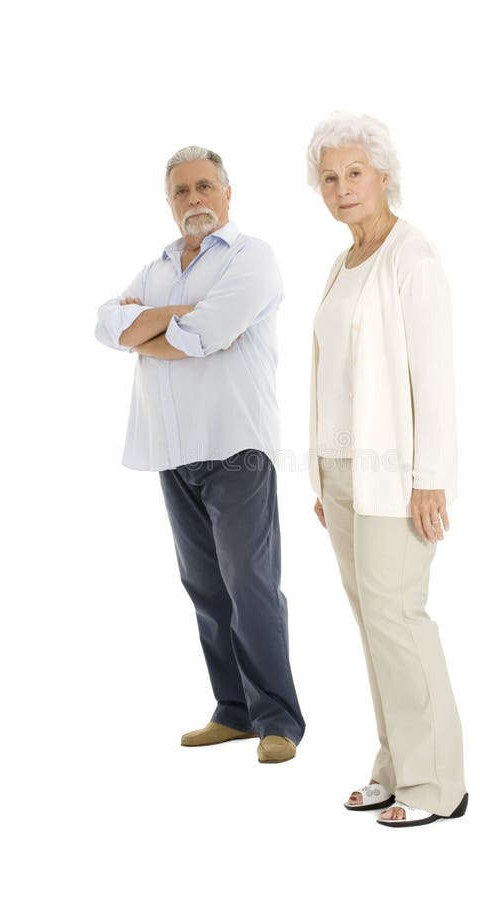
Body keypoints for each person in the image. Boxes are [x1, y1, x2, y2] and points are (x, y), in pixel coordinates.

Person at [95, 145, 305, 764]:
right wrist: (173, 320)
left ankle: (278, 720)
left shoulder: (252, 257)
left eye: (205, 186)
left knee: (251, 584)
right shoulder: (158, 265)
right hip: (171, 448)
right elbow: (105, 324)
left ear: (227, 192)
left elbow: (206, 336)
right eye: (182, 191)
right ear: (170, 202)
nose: (194, 200)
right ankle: (234, 711)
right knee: (206, 587)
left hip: (235, 446)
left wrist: (151, 332)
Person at [306, 112, 468, 826]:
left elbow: (432, 379)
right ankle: (396, 767)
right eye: (329, 177)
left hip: (396, 477)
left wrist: (429, 476)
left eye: (353, 174)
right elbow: (329, 372)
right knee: (372, 624)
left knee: (398, 619)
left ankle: (437, 786)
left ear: (382, 175)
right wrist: (320, 475)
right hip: (342, 472)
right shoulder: (341, 262)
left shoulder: (413, 256)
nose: (341, 188)